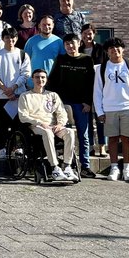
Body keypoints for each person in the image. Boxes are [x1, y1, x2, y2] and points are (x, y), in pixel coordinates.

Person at [94, 37, 129, 182]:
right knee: (113, 138)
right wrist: (100, 111)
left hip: (128, 106)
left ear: (122, 49)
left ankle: (127, 167)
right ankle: (114, 167)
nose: (115, 51)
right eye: (111, 49)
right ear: (107, 52)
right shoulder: (102, 68)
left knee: (127, 138)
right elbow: (97, 91)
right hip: (109, 108)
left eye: (117, 48)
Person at [48, 33, 97, 178]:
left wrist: (88, 102)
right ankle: (65, 164)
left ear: (79, 43)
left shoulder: (87, 60)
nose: (70, 46)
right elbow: (52, 82)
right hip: (63, 104)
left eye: (72, 43)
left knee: (84, 135)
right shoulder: (61, 59)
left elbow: (91, 83)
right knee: (64, 134)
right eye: (67, 44)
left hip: (81, 104)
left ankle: (85, 166)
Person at [18, 69, 79, 182]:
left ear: (46, 80)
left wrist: (60, 124)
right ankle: (54, 167)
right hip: (36, 126)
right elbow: (23, 116)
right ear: (32, 79)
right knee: (47, 132)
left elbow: (62, 112)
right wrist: (40, 123)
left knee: (70, 132)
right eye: (37, 77)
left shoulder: (52, 95)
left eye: (42, 77)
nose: (40, 80)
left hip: (54, 126)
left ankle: (67, 166)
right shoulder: (25, 96)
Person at [0, 27, 31, 158]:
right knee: (1, 125)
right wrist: (5, 89)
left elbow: (25, 74)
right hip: (2, 96)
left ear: (16, 39)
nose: (10, 40)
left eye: (13, 37)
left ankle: (17, 148)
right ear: (3, 39)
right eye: (7, 37)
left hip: (18, 95)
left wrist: (13, 88)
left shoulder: (23, 54)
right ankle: (2, 148)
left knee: (18, 124)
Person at [81, 23, 108, 156]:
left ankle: (102, 146)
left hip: (100, 88)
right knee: (87, 120)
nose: (87, 36)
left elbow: (107, 67)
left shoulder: (101, 49)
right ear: (81, 35)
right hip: (84, 89)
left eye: (90, 33)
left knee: (100, 118)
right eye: (85, 33)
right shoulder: (78, 49)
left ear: (94, 34)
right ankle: (90, 146)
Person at [23, 15, 65, 85]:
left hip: (52, 82)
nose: (47, 27)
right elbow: (25, 61)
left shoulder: (59, 41)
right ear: (39, 25)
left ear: (53, 25)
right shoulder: (31, 41)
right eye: (44, 24)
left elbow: (63, 62)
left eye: (49, 24)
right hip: (33, 82)